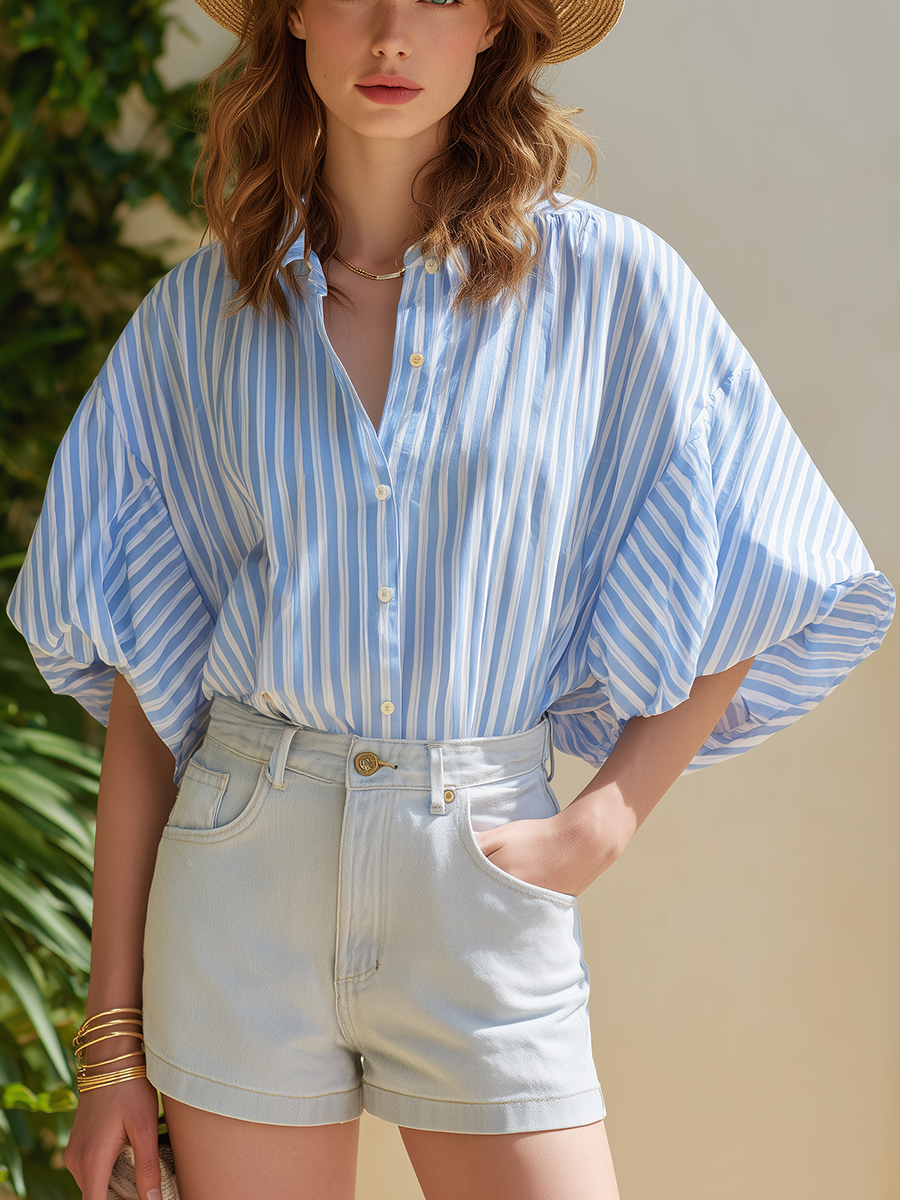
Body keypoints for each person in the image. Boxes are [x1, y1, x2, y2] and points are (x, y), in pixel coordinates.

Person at [6, 0, 894, 1196]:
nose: (389, 35)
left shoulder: (612, 289)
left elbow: (768, 556)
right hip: (242, 876)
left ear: (493, 28)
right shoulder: (196, 323)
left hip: (476, 866)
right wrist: (110, 1047)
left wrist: (605, 822)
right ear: (291, 19)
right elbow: (147, 695)